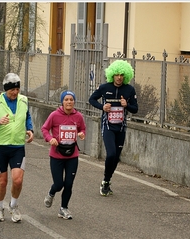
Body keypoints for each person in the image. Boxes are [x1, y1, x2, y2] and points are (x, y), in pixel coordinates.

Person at [0, 73, 34, 223]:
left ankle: (14, 206)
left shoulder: (24, 100)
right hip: (0, 147)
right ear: (6, 89)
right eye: (12, 90)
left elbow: (27, 116)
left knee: (17, 180)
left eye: (17, 89)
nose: (15, 93)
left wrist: (30, 129)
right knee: (2, 182)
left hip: (18, 146)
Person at [88, 60, 138, 196]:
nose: (119, 77)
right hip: (108, 126)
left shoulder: (129, 89)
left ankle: (107, 181)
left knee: (116, 157)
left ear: (126, 75)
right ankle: (105, 180)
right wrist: (102, 107)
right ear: (112, 75)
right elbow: (91, 100)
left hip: (121, 128)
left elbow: (136, 109)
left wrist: (126, 105)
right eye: (116, 74)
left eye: (122, 74)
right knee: (110, 153)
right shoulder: (105, 87)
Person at [41, 91, 86, 220]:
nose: (69, 102)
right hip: (56, 155)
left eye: (71, 99)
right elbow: (44, 129)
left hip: (72, 155)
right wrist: (50, 139)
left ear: (74, 102)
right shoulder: (54, 115)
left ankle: (63, 208)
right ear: (62, 102)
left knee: (69, 183)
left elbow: (83, 129)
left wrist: (82, 134)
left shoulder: (78, 116)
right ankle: (51, 192)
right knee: (59, 183)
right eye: (66, 99)